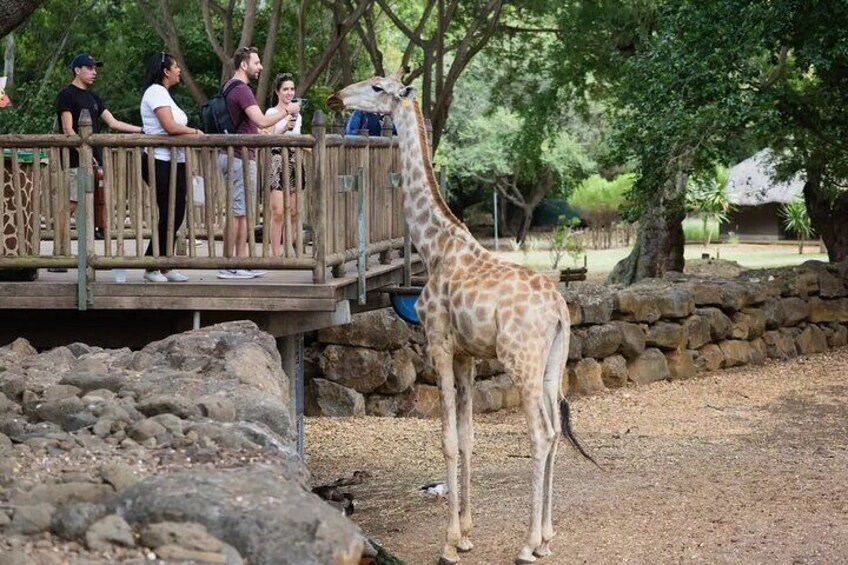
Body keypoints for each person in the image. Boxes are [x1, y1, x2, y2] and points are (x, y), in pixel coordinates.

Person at [54, 53, 143, 271]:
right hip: (76, 160)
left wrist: (141, 130)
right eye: (90, 68)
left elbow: (113, 122)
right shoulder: (66, 94)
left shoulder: (94, 97)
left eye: (95, 68)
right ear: (77, 70)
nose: (94, 72)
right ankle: (59, 255)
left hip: (94, 160)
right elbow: (68, 128)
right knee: (71, 204)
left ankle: (87, 255)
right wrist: (84, 153)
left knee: (91, 205)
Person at [216, 46, 292, 280]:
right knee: (239, 212)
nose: (260, 67)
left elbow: (256, 125)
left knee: (241, 211)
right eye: (256, 63)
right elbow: (260, 119)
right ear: (243, 65)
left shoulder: (228, 86)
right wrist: (288, 110)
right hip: (239, 156)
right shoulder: (242, 90)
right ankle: (231, 264)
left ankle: (241, 261)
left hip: (234, 155)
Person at [139, 52, 203, 283]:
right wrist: (195, 132)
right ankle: (151, 264)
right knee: (168, 211)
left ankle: (165, 263)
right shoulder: (155, 91)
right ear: (165, 70)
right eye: (176, 67)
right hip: (159, 161)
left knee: (176, 212)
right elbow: (170, 126)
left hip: (175, 161)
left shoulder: (165, 94)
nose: (179, 71)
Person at [264, 72, 302, 257]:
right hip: (277, 158)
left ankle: (289, 250)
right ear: (277, 92)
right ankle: (275, 254)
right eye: (285, 89)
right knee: (278, 210)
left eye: (292, 89)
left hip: (294, 159)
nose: (289, 93)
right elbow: (267, 137)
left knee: (294, 211)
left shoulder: (298, 115)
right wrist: (284, 126)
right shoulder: (271, 113)